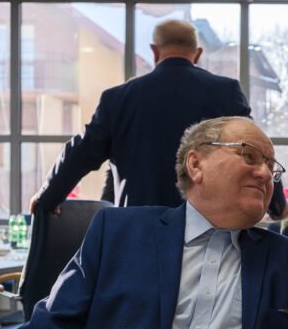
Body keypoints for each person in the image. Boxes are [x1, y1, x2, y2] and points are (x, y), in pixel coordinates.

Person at [2, 117, 288, 329]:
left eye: (271, 167)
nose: (265, 174)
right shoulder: (118, 234)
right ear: (196, 165)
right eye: (249, 156)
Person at [30, 19, 251, 213]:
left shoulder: (118, 98)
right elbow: (253, 150)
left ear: (154, 51)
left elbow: (81, 152)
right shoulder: (226, 93)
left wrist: (47, 197)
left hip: (137, 228)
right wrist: (270, 209)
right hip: (206, 227)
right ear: (198, 54)